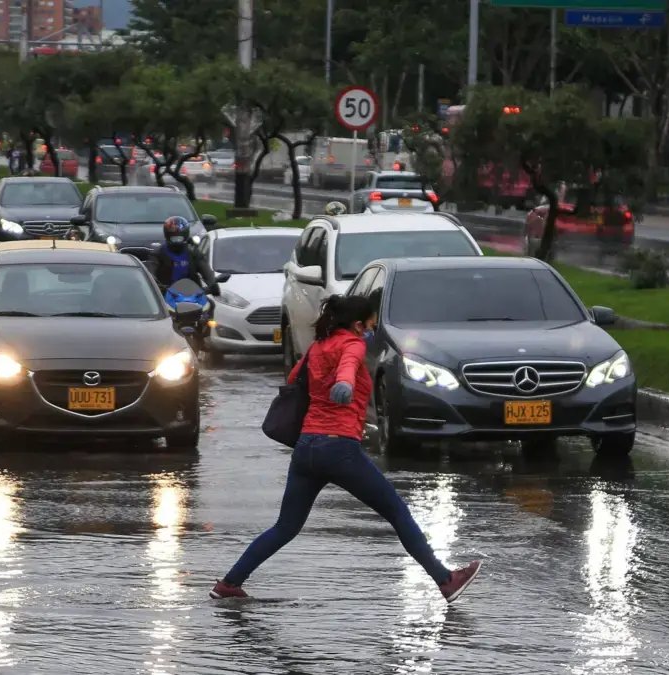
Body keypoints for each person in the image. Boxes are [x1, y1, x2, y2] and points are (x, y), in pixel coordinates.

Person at [209, 295, 482, 603]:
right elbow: (349, 366)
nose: (371, 331)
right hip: (339, 449)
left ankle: (229, 583)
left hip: (307, 447)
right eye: (370, 325)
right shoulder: (352, 344)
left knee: (286, 526)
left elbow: (294, 378)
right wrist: (345, 384)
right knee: (397, 512)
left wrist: (328, 383)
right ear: (357, 325)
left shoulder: (318, 347)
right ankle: (445, 580)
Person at [146, 216, 219, 295]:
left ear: (186, 235)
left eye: (179, 238)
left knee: (209, 302)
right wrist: (156, 285)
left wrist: (213, 285)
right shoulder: (158, 254)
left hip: (193, 295)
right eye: (174, 238)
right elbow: (151, 272)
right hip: (167, 295)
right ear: (167, 235)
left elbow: (205, 269)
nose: (177, 241)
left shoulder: (193, 253)